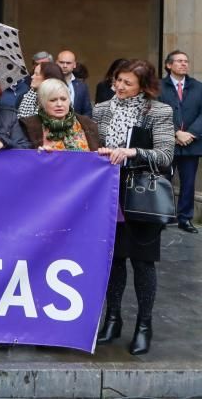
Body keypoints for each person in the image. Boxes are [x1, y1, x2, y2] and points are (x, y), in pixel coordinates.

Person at [92, 59, 175, 356]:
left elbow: (165, 155)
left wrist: (132, 152)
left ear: (143, 85)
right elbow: (91, 143)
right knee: (113, 260)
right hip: (107, 193)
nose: (119, 86)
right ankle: (112, 319)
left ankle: (144, 325)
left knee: (142, 262)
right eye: (117, 80)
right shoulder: (101, 109)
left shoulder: (159, 112)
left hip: (141, 194)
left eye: (127, 82)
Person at [158, 50, 202, 233]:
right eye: (179, 61)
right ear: (169, 65)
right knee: (164, 180)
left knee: (189, 183)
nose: (184, 64)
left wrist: (190, 133)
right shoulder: (159, 86)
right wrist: (176, 132)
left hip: (192, 143)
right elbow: (157, 112)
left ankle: (185, 218)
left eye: (186, 61)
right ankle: (163, 217)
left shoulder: (198, 87)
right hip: (167, 142)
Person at [20, 78, 100, 152]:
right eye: (53, 100)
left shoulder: (88, 124)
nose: (59, 104)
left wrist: (105, 153)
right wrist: (37, 154)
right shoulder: (28, 126)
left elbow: (97, 155)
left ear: (69, 100)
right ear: (42, 103)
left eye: (63, 99)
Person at [56, 50, 93, 116]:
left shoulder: (82, 86)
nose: (64, 66)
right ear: (56, 63)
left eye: (68, 63)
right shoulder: (49, 83)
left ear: (74, 65)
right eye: (61, 62)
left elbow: (87, 111)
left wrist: (81, 125)